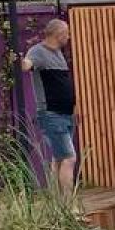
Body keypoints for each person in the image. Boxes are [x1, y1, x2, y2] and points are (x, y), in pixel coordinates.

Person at [21, 18, 78, 195]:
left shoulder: (58, 53)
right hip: (51, 114)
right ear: (58, 34)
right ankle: (69, 206)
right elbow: (27, 65)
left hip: (65, 114)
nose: (68, 37)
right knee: (69, 158)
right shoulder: (38, 52)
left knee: (59, 159)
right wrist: (20, 61)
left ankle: (57, 203)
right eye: (67, 33)